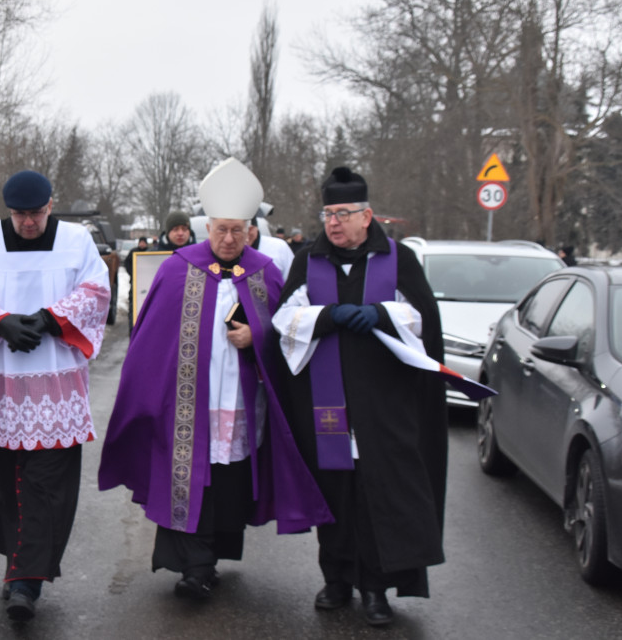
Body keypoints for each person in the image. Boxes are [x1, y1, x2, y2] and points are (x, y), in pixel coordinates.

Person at [99, 157, 332, 600]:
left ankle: (214, 555)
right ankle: (195, 566)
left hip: (244, 403)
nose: (228, 239)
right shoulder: (176, 269)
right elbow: (149, 342)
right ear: (208, 228)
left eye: (237, 231)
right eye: (221, 230)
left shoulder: (266, 273)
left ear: (250, 231)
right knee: (190, 475)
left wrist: (257, 335)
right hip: (188, 403)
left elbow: (288, 334)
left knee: (228, 481)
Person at [272, 166, 447, 627]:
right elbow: (284, 319)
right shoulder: (308, 260)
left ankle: (375, 588)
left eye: (343, 213)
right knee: (335, 492)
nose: (333, 222)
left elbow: (423, 319)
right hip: (325, 406)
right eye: (328, 213)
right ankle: (336, 579)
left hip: (384, 406)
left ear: (367, 216)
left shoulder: (397, 258)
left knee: (378, 495)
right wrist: (328, 316)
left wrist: (381, 314)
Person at [0, 170, 111, 623]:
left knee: (45, 486)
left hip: (56, 386)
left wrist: (49, 319)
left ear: (50, 205)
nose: (28, 223)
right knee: (5, 482)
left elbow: (97, 292)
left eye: (36, 213)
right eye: (19, 215)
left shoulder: (77, 241)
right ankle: (16, 561)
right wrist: (0, 322)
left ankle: (26, 583)